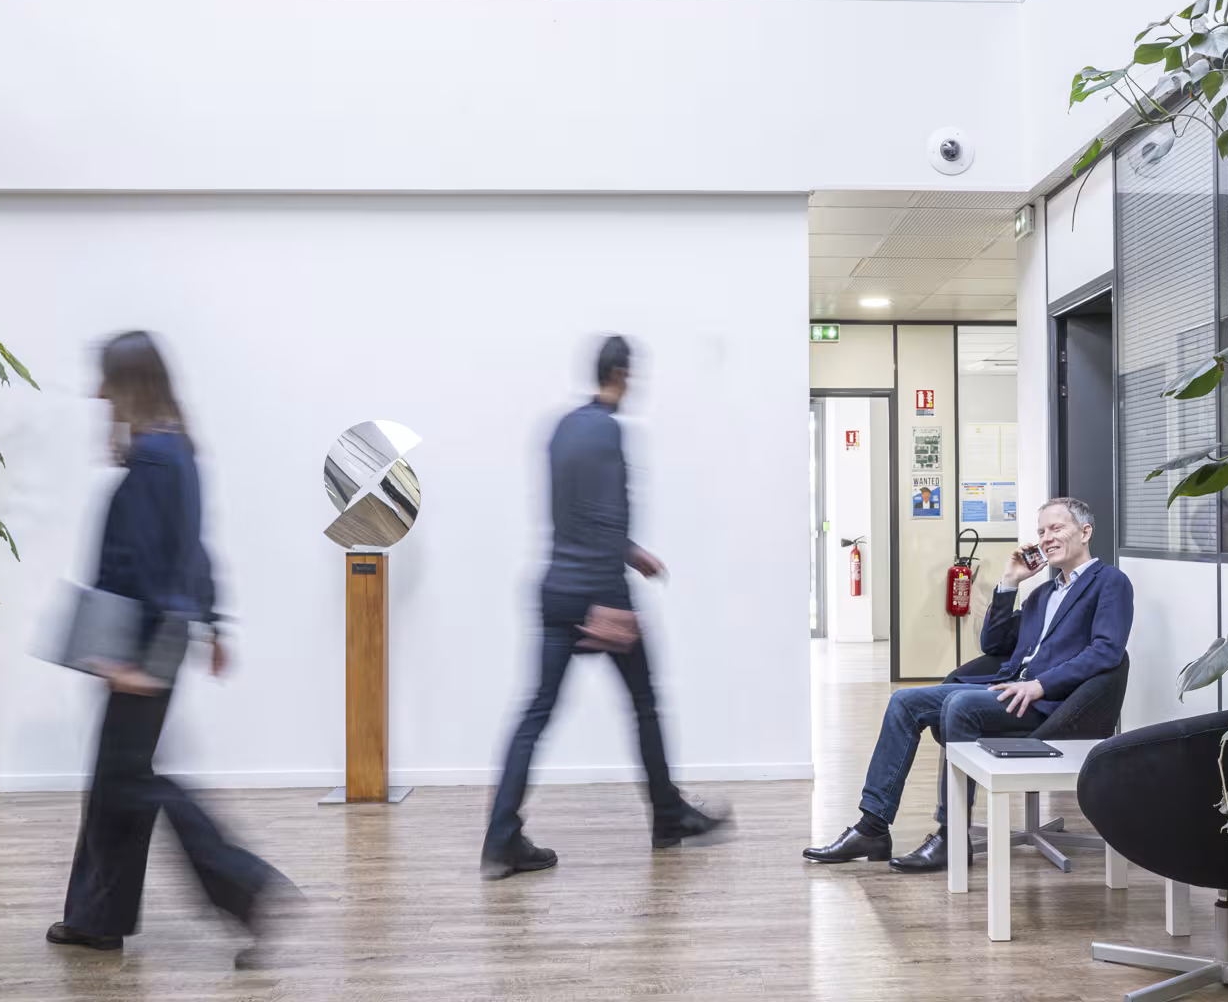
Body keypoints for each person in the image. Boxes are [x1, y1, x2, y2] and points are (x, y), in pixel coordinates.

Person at [48, 331, 294, 965]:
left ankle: (244, 883)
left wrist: (124, 656)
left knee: (132, 781)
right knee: (115, 783)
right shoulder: (177, 448)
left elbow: (150, 560)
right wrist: (212, 623)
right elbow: (196, 547)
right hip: (160, 631)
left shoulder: (156, 456)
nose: (95, 392)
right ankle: (95, 918)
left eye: (105, 380)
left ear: (129, 382)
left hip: (142, 637)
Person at [481, 335, 730, 880]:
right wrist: (606, 600)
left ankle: (500, 839)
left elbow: (574, 515)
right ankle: (668, 818)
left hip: (553, 588)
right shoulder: (609, 431)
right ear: (620, 373)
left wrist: (631, 555)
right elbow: (605, 514)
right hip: (593, 592)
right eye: (633, 372)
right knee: (645, 703)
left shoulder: (563, 428)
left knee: (535, 715)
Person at [803, 497, 1132, 874]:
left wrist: (1041, 685)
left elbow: (1107, 651)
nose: (1046, 538)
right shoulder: (1043, 593)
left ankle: (951, 837)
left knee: (959, 704)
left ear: (1085, 531)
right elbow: (993, 645)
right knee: (904, 702)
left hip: (1053, 705)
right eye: (1041, 531)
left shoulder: (1109, 582)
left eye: (1056, 528)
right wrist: (1009, 582)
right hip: (1008, 688)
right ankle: (872, 827)